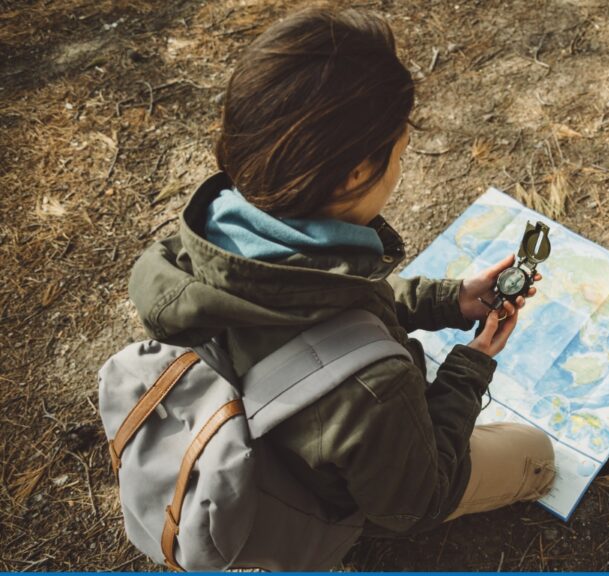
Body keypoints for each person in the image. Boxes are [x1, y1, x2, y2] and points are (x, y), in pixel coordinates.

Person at [126, 5, 555, 549]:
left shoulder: (216, 244)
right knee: (536, 452)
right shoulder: (375, 390)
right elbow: (415, 504)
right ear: (356, 173)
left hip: (272, 430)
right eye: (399, 153)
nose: (400, 168)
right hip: (337, 490)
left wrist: (449, 300)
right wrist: (470, 369)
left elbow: (329, 310)